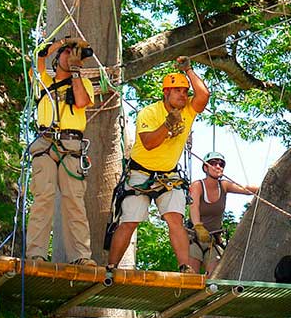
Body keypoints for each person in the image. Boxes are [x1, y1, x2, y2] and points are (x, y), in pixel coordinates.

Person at [106, 56, 210, 273]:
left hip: (168, 175)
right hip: (140, 173)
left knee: (175, 219)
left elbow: (204, 95)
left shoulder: (188, 110)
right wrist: (167, 125)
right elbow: (149, 143)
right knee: (130, 221)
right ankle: (111, 267)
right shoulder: (150, 112)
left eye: (185, 91)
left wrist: (188, 70)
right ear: (166, 93)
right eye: (177, 91)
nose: (183, 95)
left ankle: (185, 267)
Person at [26, 37, 96, 266]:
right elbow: (39, 55)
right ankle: (36, 254)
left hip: (71, 146)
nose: (71, 55)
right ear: (57, 58)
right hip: (45, 145)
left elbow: (81, 101)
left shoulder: (83, 83)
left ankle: (81, 256)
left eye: (75, 53)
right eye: (67, 53)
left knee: (74, 201)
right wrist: (64, 41)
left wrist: (75, 70)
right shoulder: (43, 81)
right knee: (43, 198)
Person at [188, 151, 258, 274]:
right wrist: (198, 226)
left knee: (215, 276)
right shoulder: (197, 185)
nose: (218, 166)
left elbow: (245, 189)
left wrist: (266, 186)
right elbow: (194, 207)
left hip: (213, 240)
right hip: (194, 237)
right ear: (205, 168)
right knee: (191, 276)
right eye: (213, 163)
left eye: (221, 164)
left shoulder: (224, 185)